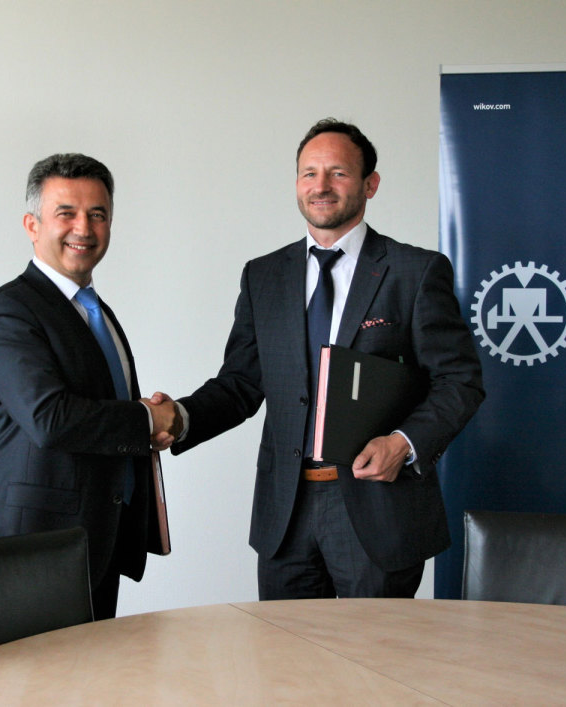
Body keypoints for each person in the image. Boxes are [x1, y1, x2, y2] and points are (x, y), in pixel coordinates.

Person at [165, 119, 484, 599]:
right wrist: (180, 417)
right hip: (285, 512)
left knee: (373, 648)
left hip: (378, 508)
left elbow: (459, 381)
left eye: (338, 173)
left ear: (370, 184)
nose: (321, 186)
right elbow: (240, 385)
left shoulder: (415, 272)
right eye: (309, 173)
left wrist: (404, 443)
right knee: (286, 648)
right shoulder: (263, 276)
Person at [0, 153, 180, 619]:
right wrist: (145, 419)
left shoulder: (97, 314)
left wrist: (150, 426)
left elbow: (103, 413)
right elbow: (51, 419)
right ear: (32, 225)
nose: (84, 227)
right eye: (66, 213)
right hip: (29, 553)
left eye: (97, 214)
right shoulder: (5, 312)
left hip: (96, 544)